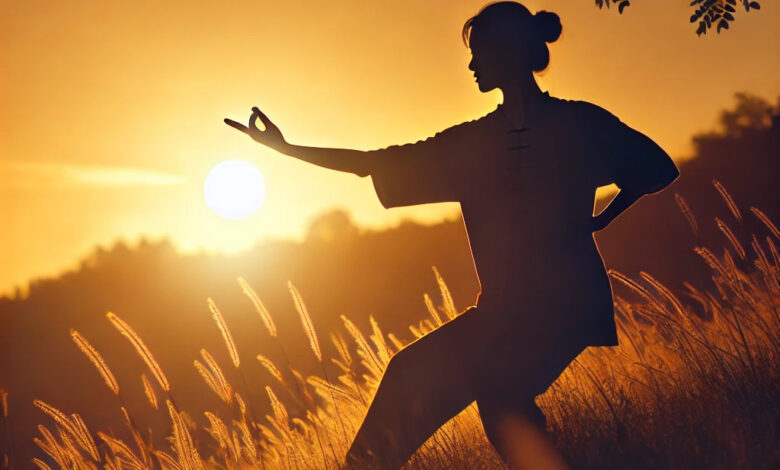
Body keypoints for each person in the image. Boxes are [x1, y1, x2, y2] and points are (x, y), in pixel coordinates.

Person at [224, 2, 679, 468]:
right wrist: (287, 149)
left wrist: (603, 217)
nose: (471, 64)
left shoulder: (579, 122)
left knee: (502, 396)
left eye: (478, 52)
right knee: (413, 374)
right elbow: (375, 163)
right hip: (504, 310)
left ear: (506, 53)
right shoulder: (472, 143)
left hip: (566, 305)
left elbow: (657, 167)